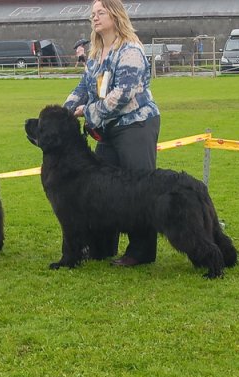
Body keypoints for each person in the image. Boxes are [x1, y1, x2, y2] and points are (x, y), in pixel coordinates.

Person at [63, 0, 161, 266]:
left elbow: (123, 94)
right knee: (102, 191)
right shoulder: (96, 53)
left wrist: (88, 112)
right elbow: (84, 86)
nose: (94, 18)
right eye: (92, 14)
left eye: (100, 13)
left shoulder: (130, 50)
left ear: (115, 15)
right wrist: (64, 110)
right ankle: (102, 247)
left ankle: (141, 252)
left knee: (139, 189)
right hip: (108, 131)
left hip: (135, 126)